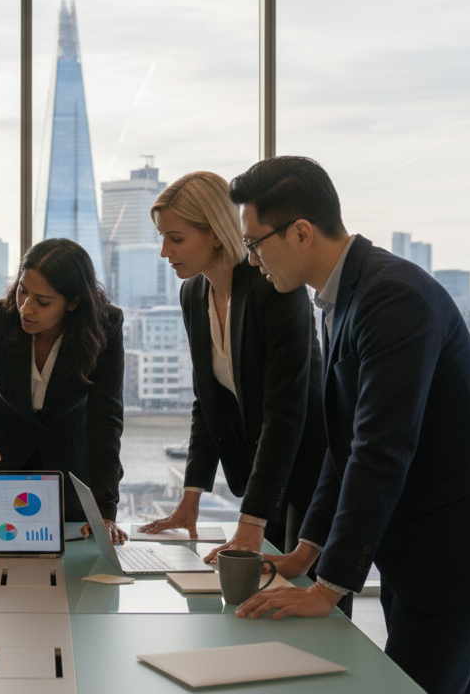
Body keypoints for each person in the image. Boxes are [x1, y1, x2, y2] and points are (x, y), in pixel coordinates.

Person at [226, 156, 470, 694]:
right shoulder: (338, 297)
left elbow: (381, 450)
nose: (253, 261)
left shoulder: (390, 296)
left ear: (301, 232)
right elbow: (345, 440)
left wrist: (328, 586)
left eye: (255, 244)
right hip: (423, 541)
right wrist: (309, 549)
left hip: (465, 542)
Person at [139, 171, 328, 566]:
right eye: (163, 239)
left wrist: (251, 521)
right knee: (257, 598)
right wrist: (190, 497)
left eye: (176, 239)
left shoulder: (274, 287)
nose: (165, 253)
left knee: (304, 599)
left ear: (215, 232)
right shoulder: (193, 293)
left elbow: (285, 411)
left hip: (312, 471)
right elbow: (207, 403)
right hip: (264, 474)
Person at [0, 238, 127, 542]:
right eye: (22, 290)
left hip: (70, 479)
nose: (26, 308)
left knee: (71, 575)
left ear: (73, 302)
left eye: (43, 301)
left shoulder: (106, 325)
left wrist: (105, 509)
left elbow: (106, 421)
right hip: (2, 471)